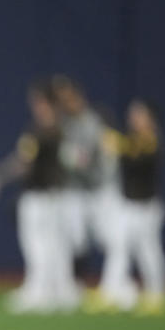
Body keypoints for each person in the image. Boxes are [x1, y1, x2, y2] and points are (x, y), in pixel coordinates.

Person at [0, 78, 73, 314]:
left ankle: (38, 292)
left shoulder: (39, 130)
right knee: (53, 245)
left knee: (37, 244)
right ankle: (56, 293)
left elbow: (23, 162)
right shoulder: (59, 128)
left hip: (39, 196)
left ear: (43, 102)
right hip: (54, 194)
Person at [89, 98, 165, 315]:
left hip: (147, 207)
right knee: (118, 248)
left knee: (148, 251)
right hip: (128, 205)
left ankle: (157, 294)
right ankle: (111, 292)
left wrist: (116, 145)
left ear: (150, 118)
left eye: (140, 114)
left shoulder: (151, 140)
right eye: (134, 113)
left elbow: (135, 156)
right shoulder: (131, 140)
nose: (134, 117)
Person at [51, 75, 115, 308]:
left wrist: (74, 158)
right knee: (75, 240)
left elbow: (95, 159)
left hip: (100, 189)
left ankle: (118, 285)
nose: (67, 104)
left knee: (110, 239)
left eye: (70, 98)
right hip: (74, 191)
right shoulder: (62, 124)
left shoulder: (93, 122)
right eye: (63, 100)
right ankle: (75, 285)